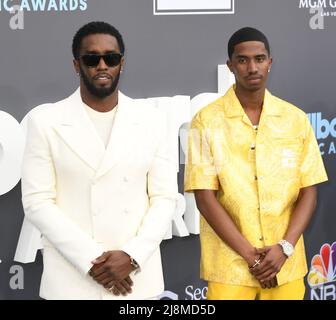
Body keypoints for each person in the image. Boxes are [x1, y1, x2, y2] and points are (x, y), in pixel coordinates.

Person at [21, 21, 178, 300]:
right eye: (92, 59)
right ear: (76, 65)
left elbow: (165, 198)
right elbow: (37, 201)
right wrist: (92, 261)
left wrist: (131, 256)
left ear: (122, 63)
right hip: (71, 283)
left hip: (137, 282)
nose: (102, 65)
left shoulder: (152, 120)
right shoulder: (45, 122)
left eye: (111, 58)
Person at [184, 27, 328, 300]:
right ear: (230, 65)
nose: (252, 67)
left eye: (259, 59)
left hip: (285, 263)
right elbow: (204, 197)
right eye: (242, 60)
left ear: (270, 62)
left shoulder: (294, 119)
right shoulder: (206, 121)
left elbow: (309, 189)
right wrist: (251, 256)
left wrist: (284, 248)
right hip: (230, 268)